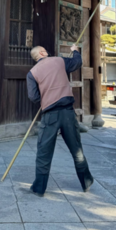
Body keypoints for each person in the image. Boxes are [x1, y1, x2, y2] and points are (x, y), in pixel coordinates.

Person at [26, 44, 93, 196]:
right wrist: (75, 50)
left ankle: (39, 188)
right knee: (76, 149)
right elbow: (76, 63)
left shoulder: (32, 73)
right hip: (68, 113)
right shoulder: (59, 61)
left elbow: (33, 97)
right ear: (43, 52)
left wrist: (45, 96)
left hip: (50, 115)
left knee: (44, 151)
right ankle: (86, 181)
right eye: (45, 49)